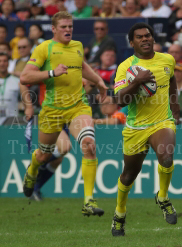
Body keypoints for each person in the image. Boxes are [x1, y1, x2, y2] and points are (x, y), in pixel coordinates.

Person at [20, 11, 107, 216]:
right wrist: (51, 72)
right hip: (52, 111)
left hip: (78, 107)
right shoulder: (44, 48)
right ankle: (32, 170)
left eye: (70, 26)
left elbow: (81, 66)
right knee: (43, 154)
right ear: (53, 29)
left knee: (89, 145)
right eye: (64, 27)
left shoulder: (77, 46)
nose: (68, 30)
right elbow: (25, 77)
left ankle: (89, 201)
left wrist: (98, 81)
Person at [111, 23, 180, 236]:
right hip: (136, 127)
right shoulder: (126, 67)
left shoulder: (167, 59)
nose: (145, 39)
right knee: (129, 175)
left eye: (148, 35)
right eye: (139, 37)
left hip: (162, 121)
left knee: (166, 158)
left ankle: (163, 197)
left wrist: (175, 106)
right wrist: (137, 82)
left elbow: (172, 80)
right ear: (132, 43)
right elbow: (119, 99)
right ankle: (120, 214)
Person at [0, 52, 32, 118]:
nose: (2, 63)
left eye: (5, 61)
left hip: (12, 120)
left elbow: (27, 103)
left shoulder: (18, 81)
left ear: (8, 63)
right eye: (0, 61)